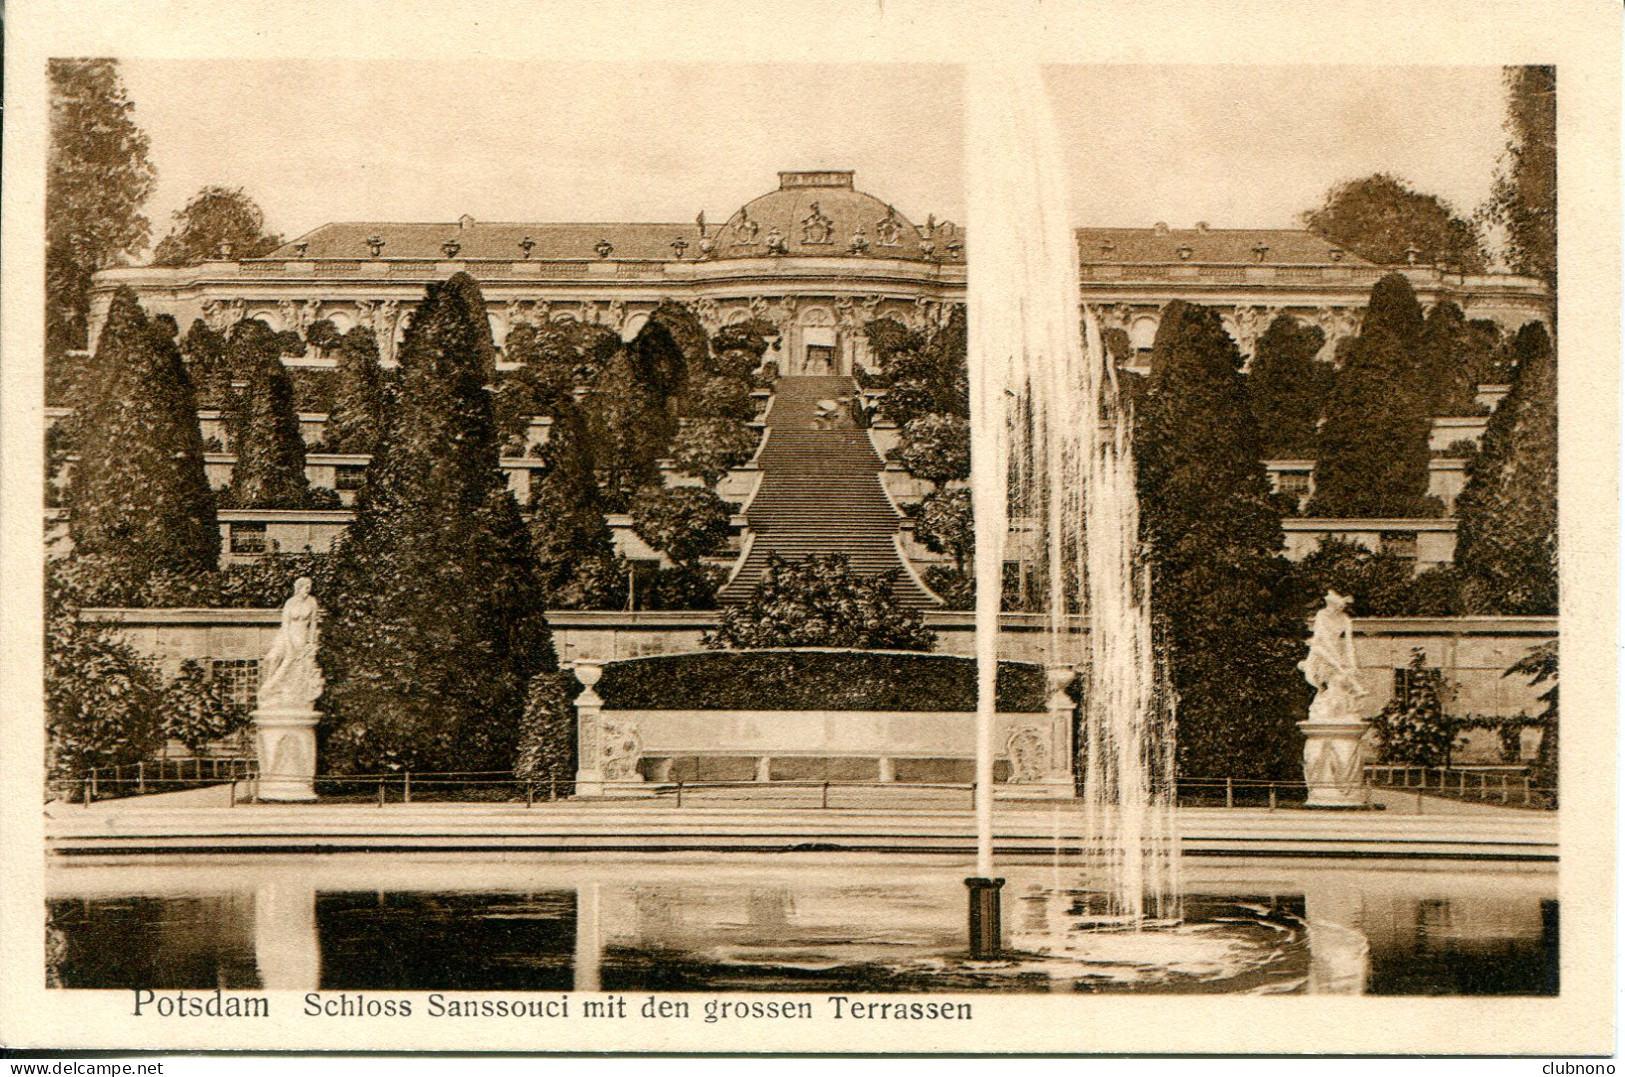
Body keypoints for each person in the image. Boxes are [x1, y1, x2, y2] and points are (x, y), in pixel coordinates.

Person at [257, 577, 324, 709]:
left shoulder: (312, 602)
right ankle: (269, 686)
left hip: (302, 635)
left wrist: (311, 642)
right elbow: (286, 624)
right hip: (288, 635)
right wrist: (288, 642)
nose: (307, 591)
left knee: (298, 664)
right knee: (277, 657)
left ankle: (293, 694)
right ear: (299, 588)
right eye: (306, 588)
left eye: (309, 588)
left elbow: (313, 624)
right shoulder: (290, 603)